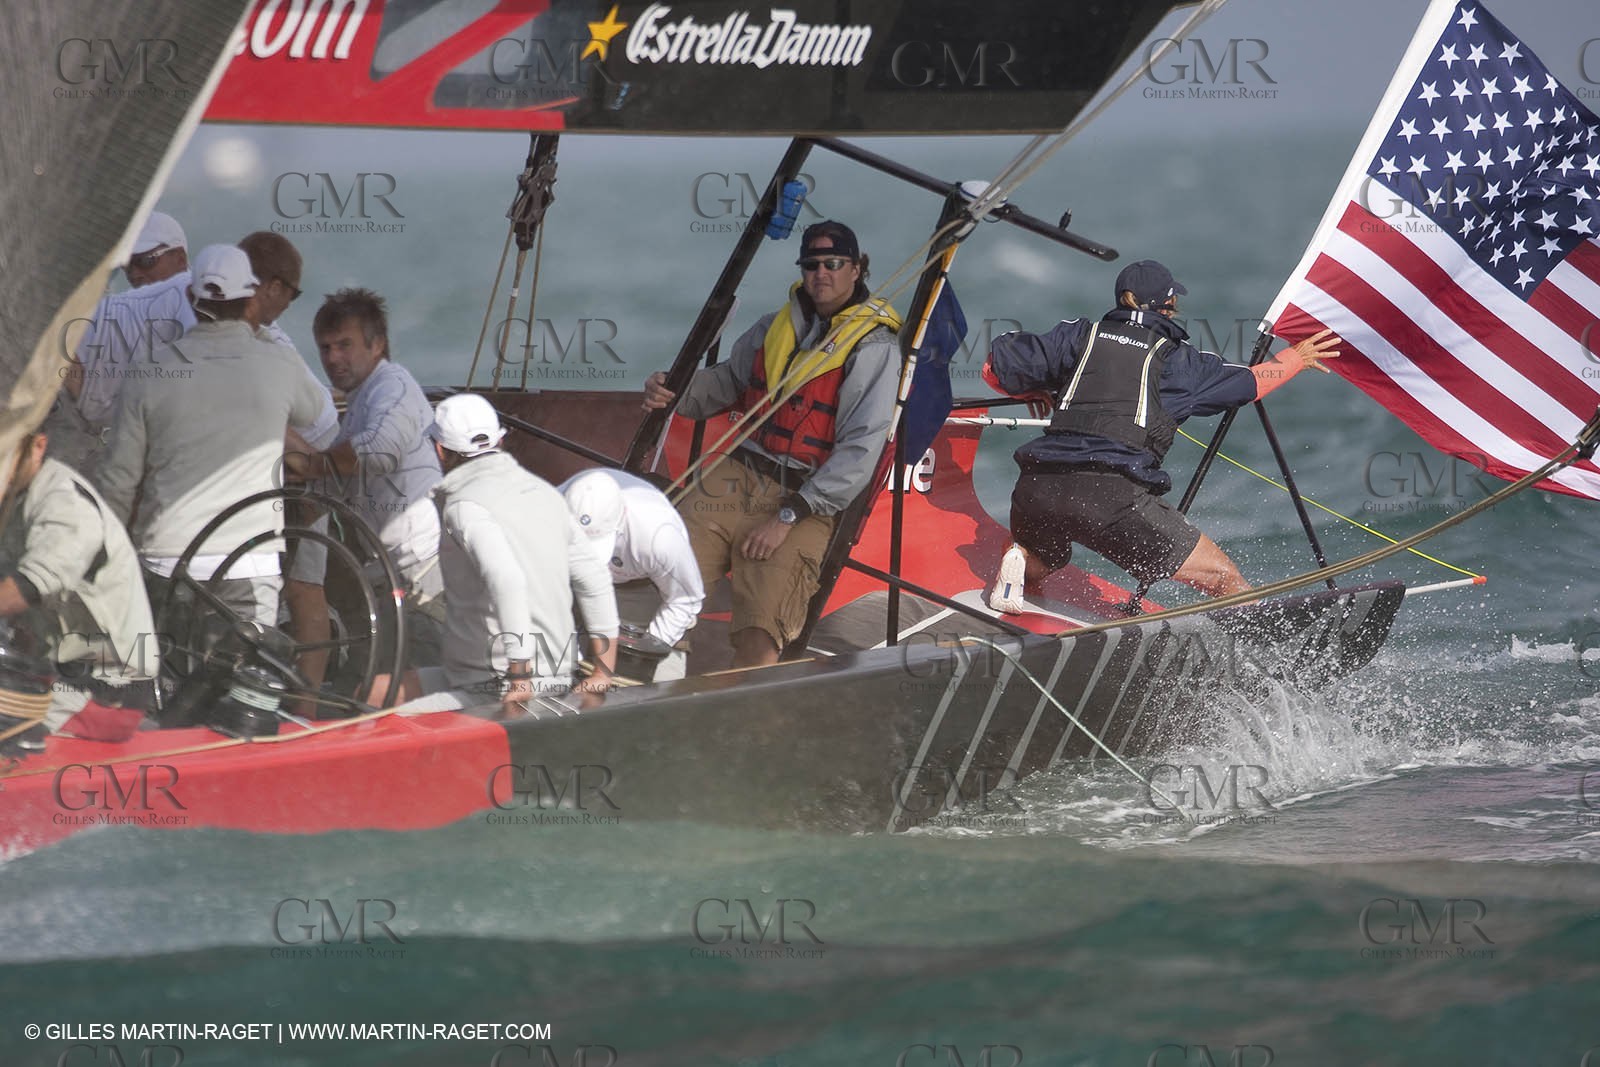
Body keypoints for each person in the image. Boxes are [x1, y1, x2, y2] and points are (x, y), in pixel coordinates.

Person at [983, 259, 1341, 611]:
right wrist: (1297, 356)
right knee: (1222, 578)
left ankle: (1021, 557)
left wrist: (1029, 390)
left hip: (1037, 488)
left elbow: (993, 368)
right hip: (1109, 499)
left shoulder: (1076, 336)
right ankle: (1273, 646)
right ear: (1166, 308)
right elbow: (1250, 385)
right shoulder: (1177, 361)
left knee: (1046, 560)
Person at [642, 220, 901, 668]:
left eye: (834, 264)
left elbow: (860, 451)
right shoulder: (771, 328)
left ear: (857, 269)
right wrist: (674, 389)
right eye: (812, 264)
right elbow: (725, 383)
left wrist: (787, 516)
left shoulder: (874, 349)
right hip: (738, 473)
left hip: (805, 497)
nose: (822, 273)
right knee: (666, 577)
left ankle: (747, 715)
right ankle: (652, 679)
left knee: (762, 627)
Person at [94, 244, 329, 630]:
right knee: (246, 684)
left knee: (166, 680)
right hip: (248, 561)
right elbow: (311, 411)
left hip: (166, 560)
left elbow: (119, 480)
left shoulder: (150, 369)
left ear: (191, 296)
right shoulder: (277, 362)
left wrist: (104, 554)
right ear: (251, 297)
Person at [379, 395, 616, 716]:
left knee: (383, 719)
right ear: (501, 440)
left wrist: (520, 679)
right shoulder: (545, 493)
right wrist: (603, 672)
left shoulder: (463, 505)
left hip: (497, 681)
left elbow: (508, 581)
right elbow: (595, 578)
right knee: (378, 691)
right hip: (542, 671)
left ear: (439, 449)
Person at [283, 288, 442, 622]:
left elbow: (379, 451)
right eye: (325, 348)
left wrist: (313, 465)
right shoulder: (361, 404)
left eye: (344, 345)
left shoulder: (393, 388)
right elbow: (328, 491)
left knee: (407, 672)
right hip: (392, 571)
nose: (332, 358)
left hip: (425, 569)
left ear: (377, 345)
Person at [236, 232, 340, 707]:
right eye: (292, 296)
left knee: (302, 589)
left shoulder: (261, 340)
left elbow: (271, 415)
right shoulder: (253, 334)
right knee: (299, 589)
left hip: (302, 467)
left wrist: (311, 466)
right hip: (296, 460)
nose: (287, 307)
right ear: (271, 286)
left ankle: (303, 705)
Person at [0, 430, 159, 737]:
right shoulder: (17, 495)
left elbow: (29, 586)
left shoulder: (66, 504)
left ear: (38, 446)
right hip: (51, 674)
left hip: (97, 694)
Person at [47, 211, 195, 472]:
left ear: (180, 258)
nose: (135, 274)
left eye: (146, 261)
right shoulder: (121, 315)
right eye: (128, 266)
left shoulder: (191, 296)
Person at [560, 468, 704, 682]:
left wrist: (644, 654)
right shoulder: (549, 507)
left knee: (655, 688)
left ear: (622, 517)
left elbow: (684, 600)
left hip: (643, 587)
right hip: (569, 579)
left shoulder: (659, 539)